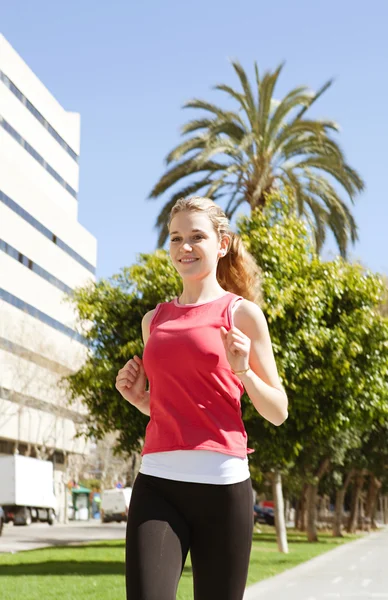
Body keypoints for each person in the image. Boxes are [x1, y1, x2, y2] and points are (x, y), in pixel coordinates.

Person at [115, 196, 288, 600]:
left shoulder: (241, 314)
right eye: (176, 238)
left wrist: (243, 370)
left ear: (222, 244)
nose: (184, 247)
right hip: (158, 482)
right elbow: (174, 407)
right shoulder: (153, 321)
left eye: (196, 236)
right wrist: (140, 399)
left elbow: (277, 411)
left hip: (222, 486)